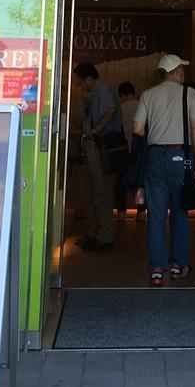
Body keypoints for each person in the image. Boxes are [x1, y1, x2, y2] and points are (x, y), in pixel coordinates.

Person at [133, 54, 195, 286]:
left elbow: (138, 128)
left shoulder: (148, 94)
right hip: (181, 155)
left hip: (155, 158)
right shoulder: (189, 93)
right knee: (180, 212)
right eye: (182, 69)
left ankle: (156, 268)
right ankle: (178, 264)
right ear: (177, 72)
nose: (184, 73)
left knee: (156, 214)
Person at [74, 62, 123, 252]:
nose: (79, 86)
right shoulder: (95, 92)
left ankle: (104, 237)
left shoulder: (102, 89)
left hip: (101, 147)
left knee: (101, 192)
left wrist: (96, 130)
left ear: (88, 79)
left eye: (80, 82)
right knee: (94, 191)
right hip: (94, 145)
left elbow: (110, 110)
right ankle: (95, 232)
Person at [115, 82, 140, 218]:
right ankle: (141, 211)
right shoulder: (141, 105)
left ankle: (120, 211)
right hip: (138, 149)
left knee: (121, 181)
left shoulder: (120, 108)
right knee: (139, 181)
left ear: (122, 95)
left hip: (123, 148)